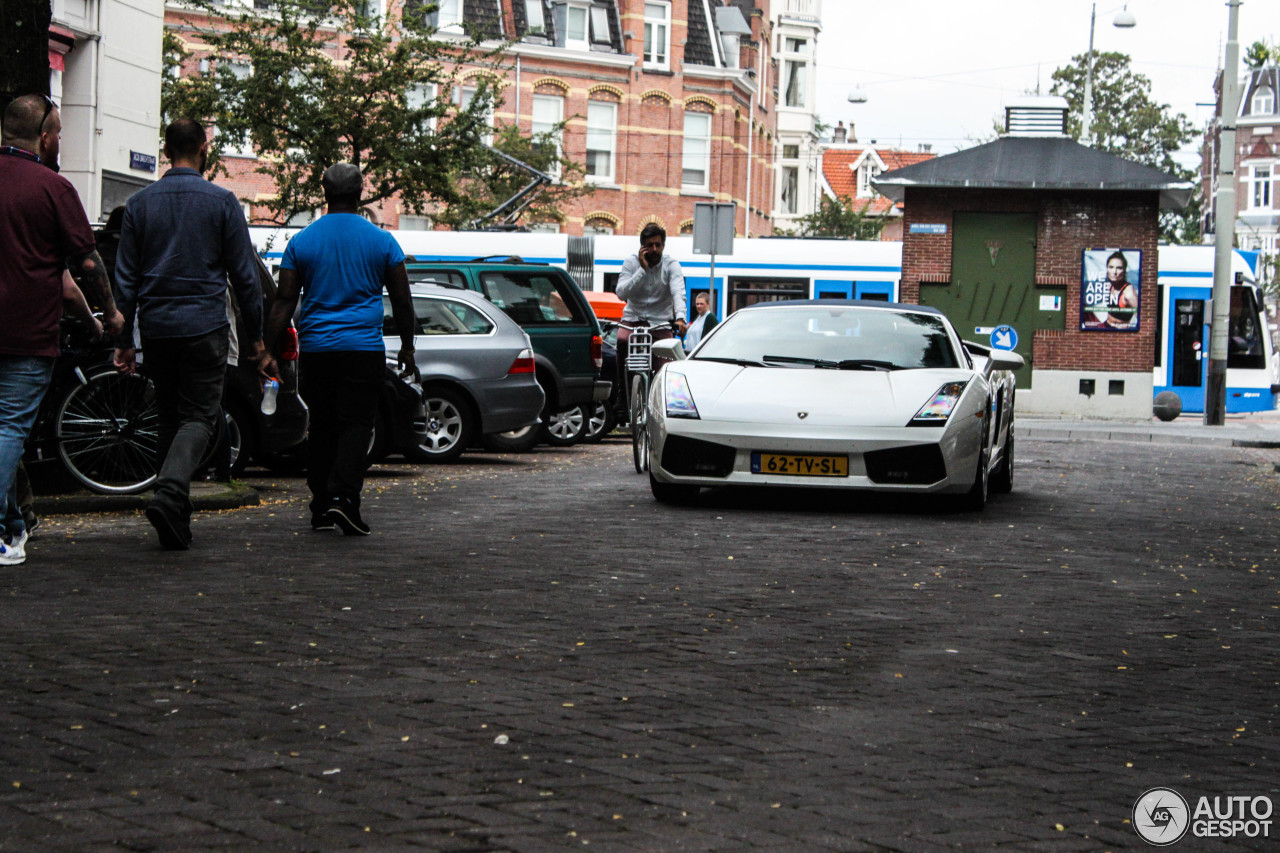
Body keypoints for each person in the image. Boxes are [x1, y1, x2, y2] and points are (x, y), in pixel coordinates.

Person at [112, 118, 265, 551]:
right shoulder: (222, 202)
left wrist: (124, 341)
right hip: (204, 325)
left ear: (166, 150)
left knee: (167, 416)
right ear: (203, 149)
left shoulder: (140, 205)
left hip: (158, 328)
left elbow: (126, 280)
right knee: (199, 417)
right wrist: (254, 338)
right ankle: (171, 490)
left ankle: (174, 520)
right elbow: (246, 277)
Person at [0, 93, 124, 566]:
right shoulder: (52, 189)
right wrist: (109, 313)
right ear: (45, 136)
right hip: (27, 332)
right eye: (58, 134)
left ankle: (14, 528)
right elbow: (84, 261)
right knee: (10, 427)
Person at [260, 162, 416, 536]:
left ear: (324, 192)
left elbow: (283, 302)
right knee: (357, 424)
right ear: (361, 192)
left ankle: (320, 506)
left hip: (317, 349)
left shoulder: (302, 242)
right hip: (363, 349)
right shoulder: (383, 242)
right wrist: (408, 346)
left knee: (324, 425)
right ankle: (344, 498)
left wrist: (268, 350)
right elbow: (402, 300)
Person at [615, 224, 687, 416]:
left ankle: (666, 405)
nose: (654, 250)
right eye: (650, 245)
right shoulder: (631, 263)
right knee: (622, 341)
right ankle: (622, 397)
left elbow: (678, 293)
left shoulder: (672, 265)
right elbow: (621, 294)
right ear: (642, 247)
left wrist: (680, 318)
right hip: (632, 319)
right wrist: (642, 270)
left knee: (664, 363)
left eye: (658, 245)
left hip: (660, 322)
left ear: (663, 245)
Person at [1103, 251, 1138, 328]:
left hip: (1119, 335)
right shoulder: (1110, 286)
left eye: (1119, 268)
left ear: (1124, 270)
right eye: (1111, 267)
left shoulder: (1129, 293)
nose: (1114, 272)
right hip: (1106, 327)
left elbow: (1143, 320)